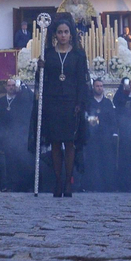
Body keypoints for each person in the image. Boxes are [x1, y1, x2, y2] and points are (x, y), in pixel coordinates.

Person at [28, 15, 90, 197]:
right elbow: (42, 80)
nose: (63, 35)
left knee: (69, 143)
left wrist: (79, 102)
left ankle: (68, 182)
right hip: (52, 102)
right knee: (55, 143)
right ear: (55, 34)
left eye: (66, 32)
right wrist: (40, 68)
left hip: (71, 103)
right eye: (60, 32)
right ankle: (57, 181)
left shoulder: (78, 55)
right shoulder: (48, 54)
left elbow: (82, 81)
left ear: (71, 34)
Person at [0, 77, 33, 191]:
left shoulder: (21, 100)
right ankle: (9, 184)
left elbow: (31, 98)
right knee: (8, 163)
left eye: (13, 85)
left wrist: (23, 86)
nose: (11, 88)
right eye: (9, 85)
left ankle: (21, 185)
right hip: (5, 137)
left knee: (21, 160)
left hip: (19, 136)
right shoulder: (1, 101)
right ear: (6, 87)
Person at [82, 79, 117, 192]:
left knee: (107, 160)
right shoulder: (89, 102)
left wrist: (113, 132)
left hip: (105, 136)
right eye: (97, 86)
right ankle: (93, 185)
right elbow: (84, 116)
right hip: (92, 136)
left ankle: (108, 185)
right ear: (93, 87)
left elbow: (112, 118)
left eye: (101, 86)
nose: (99, 88)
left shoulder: (107, 102)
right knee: (93, 160)